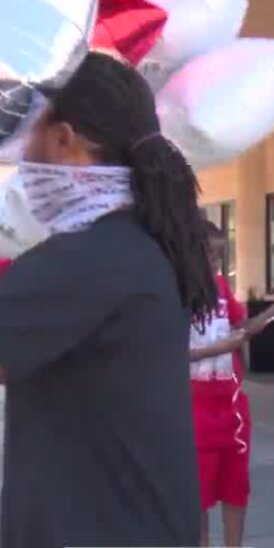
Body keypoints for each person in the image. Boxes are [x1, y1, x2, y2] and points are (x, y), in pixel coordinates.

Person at [0, 52, 218, 547]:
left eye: (28, 133)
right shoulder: (139, 246)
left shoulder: (86, 262)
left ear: (63, 140)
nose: (23, 157)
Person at [189, 221, 274, 547]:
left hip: (232, 407)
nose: (215, 264)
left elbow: (244, 327)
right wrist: (218, 349)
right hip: (195, 408)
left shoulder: (222, 287)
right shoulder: (176, 294)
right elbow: (167, 353)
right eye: (209, 255)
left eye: (220, 256)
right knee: (199, 496)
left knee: (235, 488)